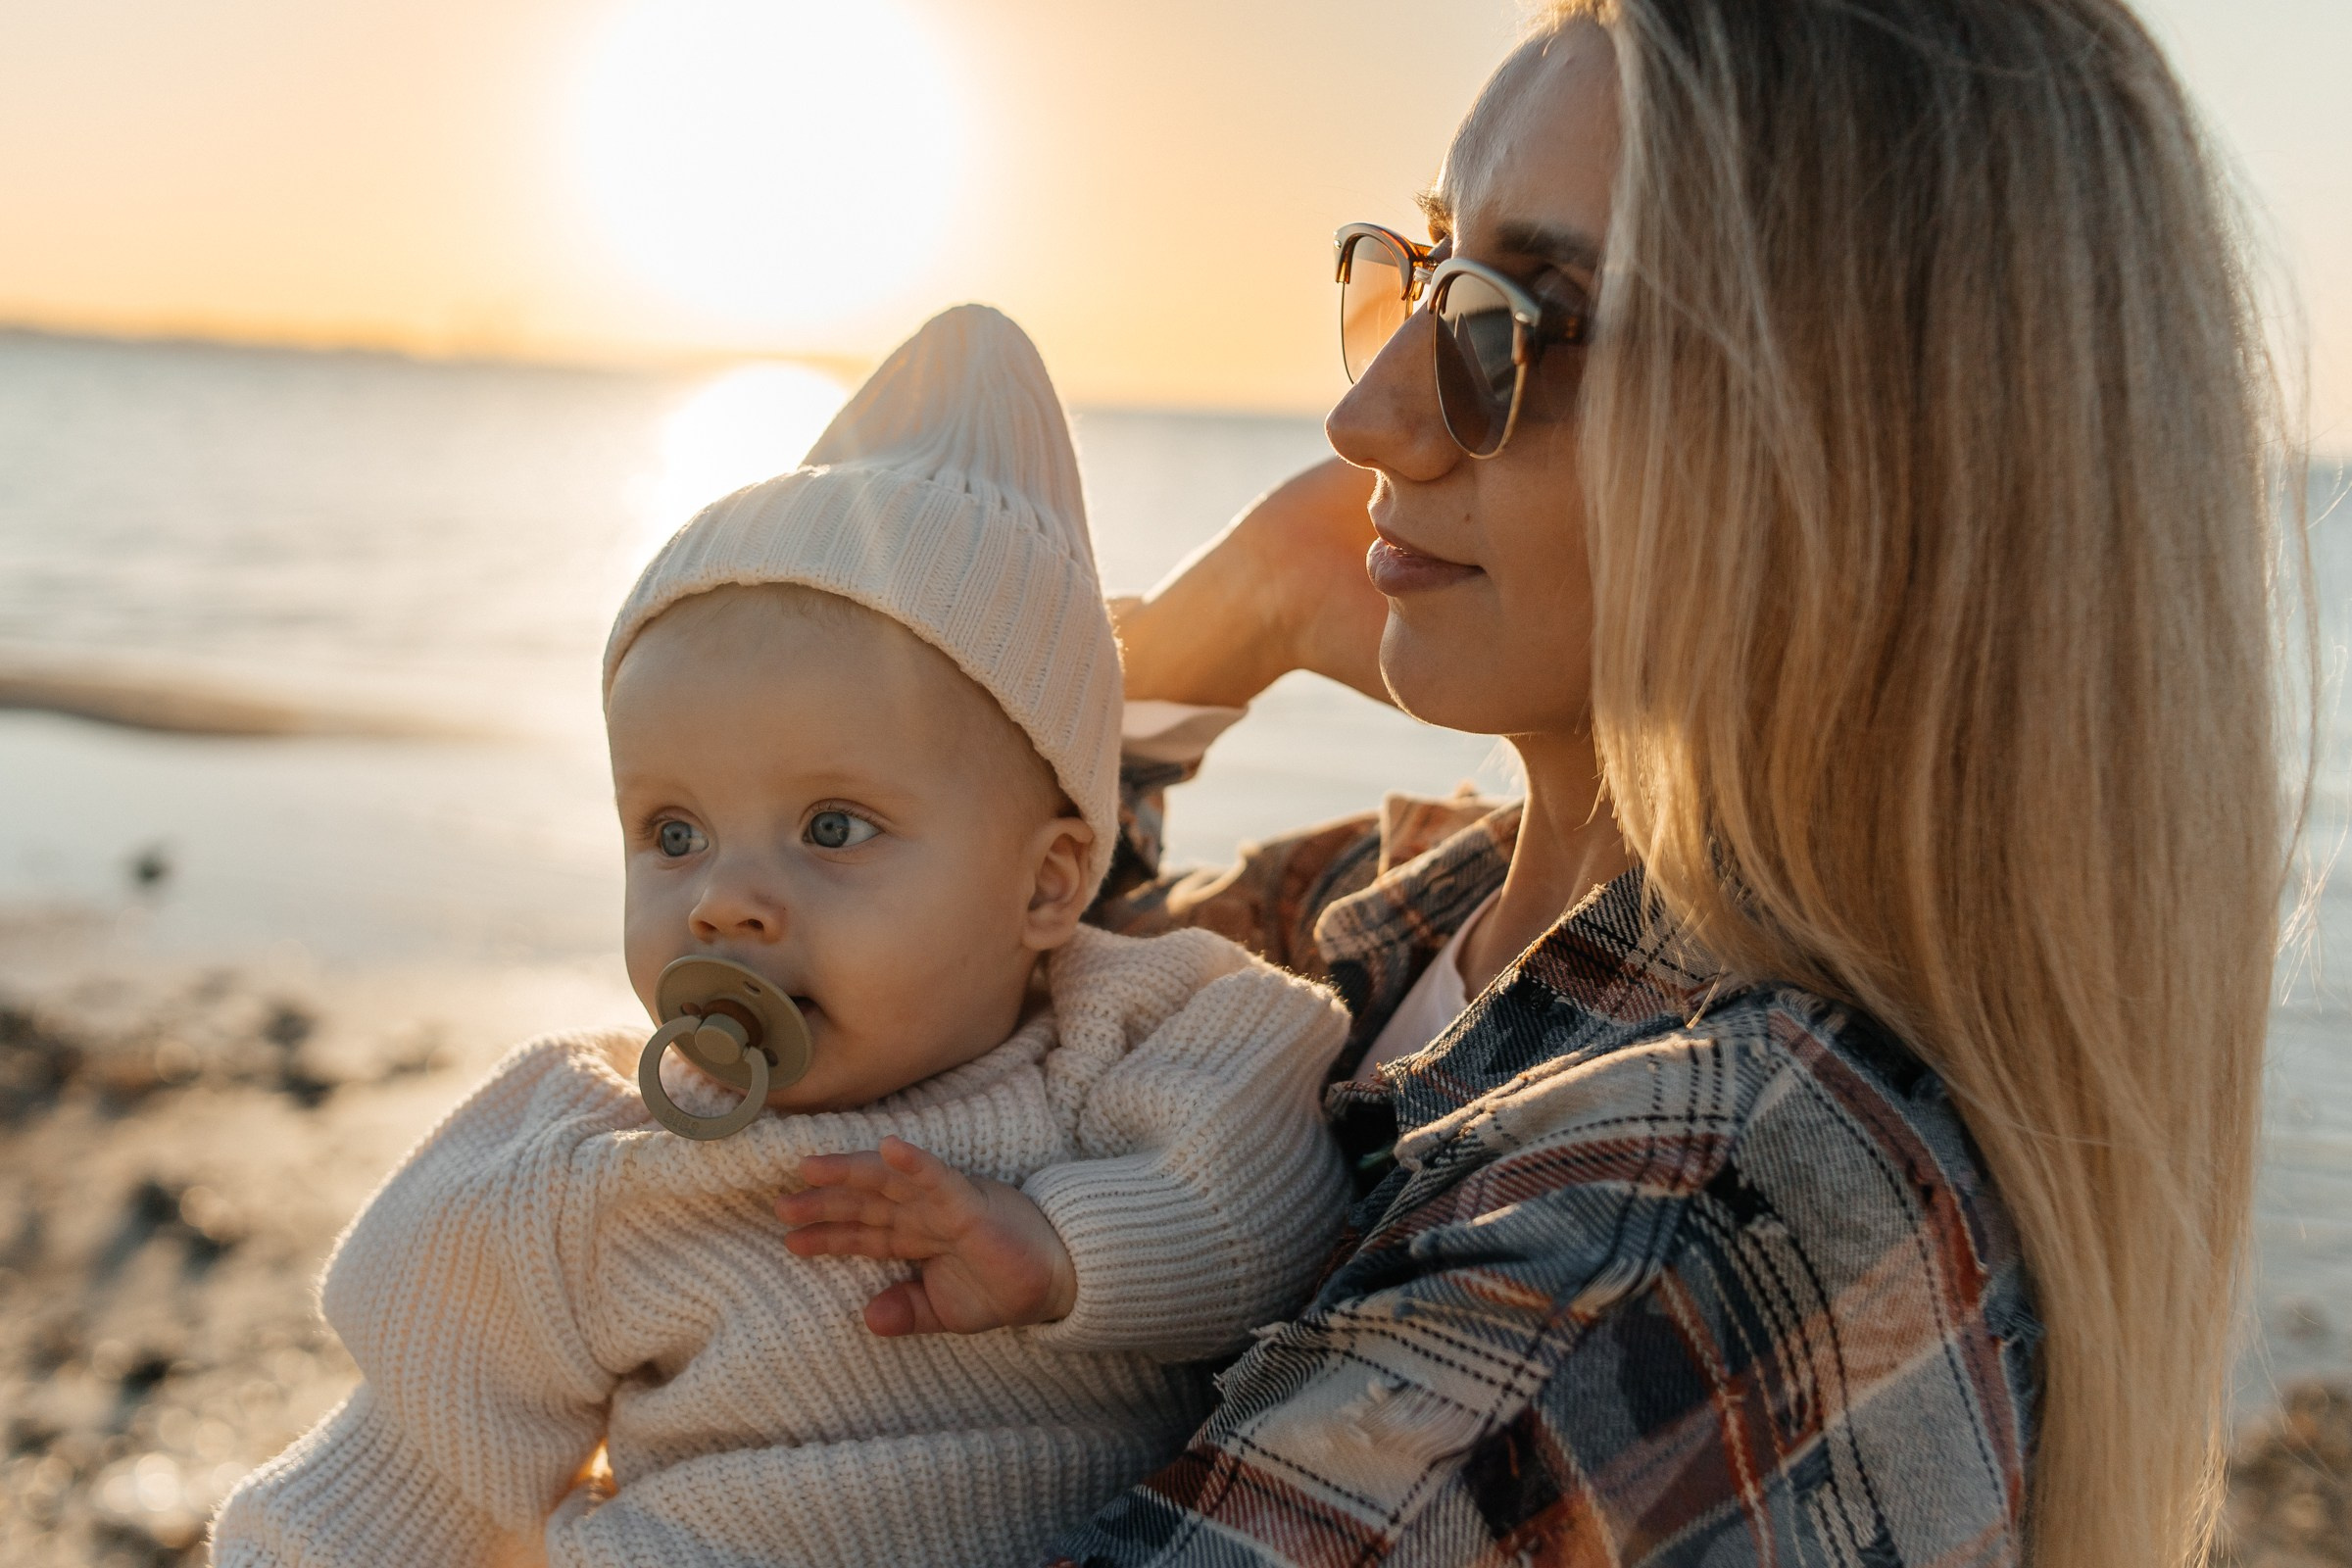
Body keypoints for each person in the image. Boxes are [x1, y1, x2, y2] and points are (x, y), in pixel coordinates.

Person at [1025, 2, 2299, 1565]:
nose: (1372, 416)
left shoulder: (1682, 1220)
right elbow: (969, 962)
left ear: (1866, 448)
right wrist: (1224, 628)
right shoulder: (1410, 914)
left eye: (1522, 319)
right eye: (1428, 277)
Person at [206, 306, 1355, 1568]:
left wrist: (1057, 1250)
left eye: (831, 825)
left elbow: (1282, 1221)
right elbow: (400, 1475)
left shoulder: (1139, 1029)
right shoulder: (590, 1167)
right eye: (673, 833)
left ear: (1048, 884)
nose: (721, 903)